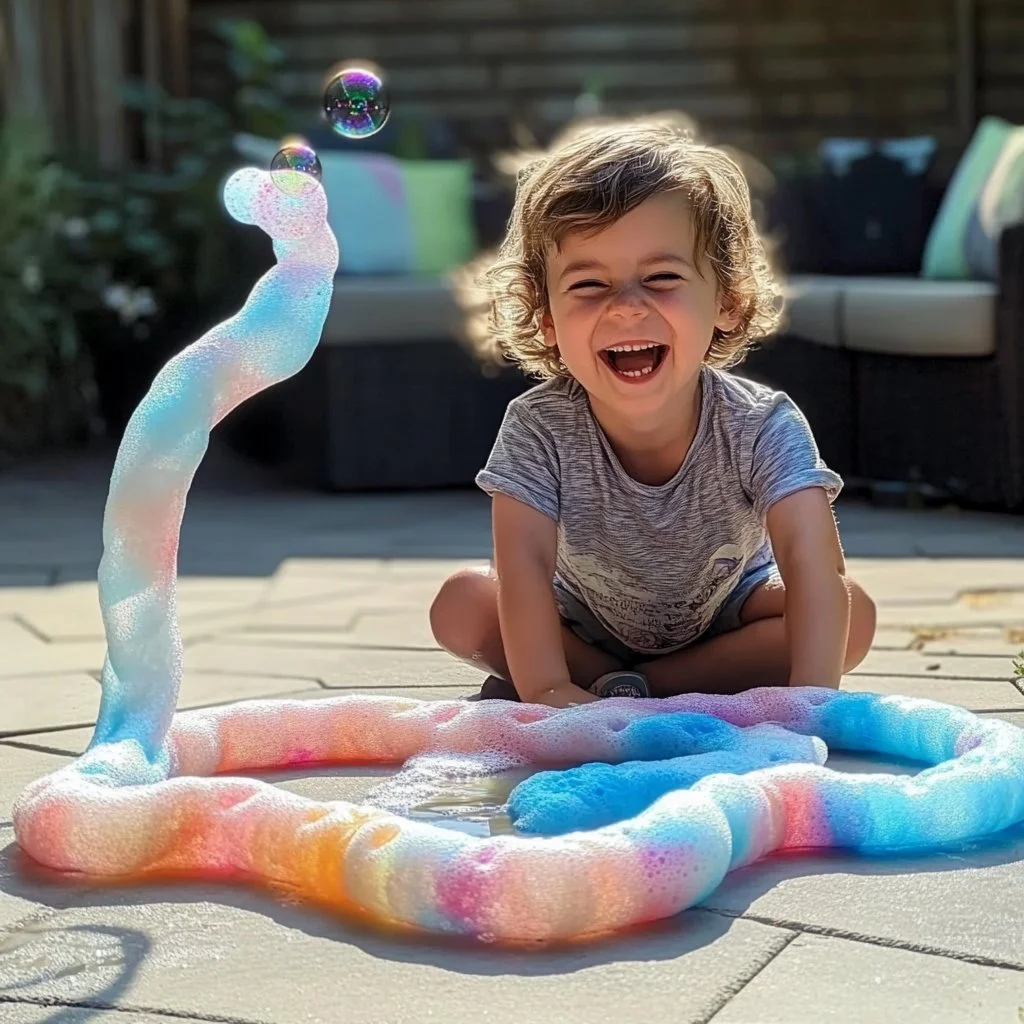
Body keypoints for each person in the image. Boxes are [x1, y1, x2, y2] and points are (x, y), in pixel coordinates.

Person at [430, 115, 877, 708]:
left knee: (853, 613)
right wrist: (549, 691)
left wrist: (811, 710)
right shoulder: (537, 427)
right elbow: (525, 569)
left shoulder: (762, 422)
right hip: (579, 625)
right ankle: (609, 684)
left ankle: (640, 689)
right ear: (546, 318)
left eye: (662, 277)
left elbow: (810, 559)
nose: (626, 308)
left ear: (728, 300)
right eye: (589, 285)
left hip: (727, 616)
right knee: (461, 604)